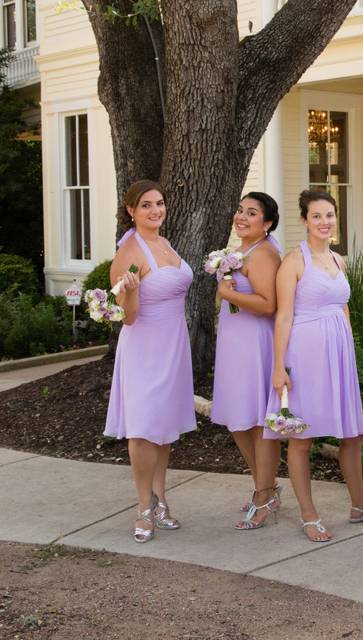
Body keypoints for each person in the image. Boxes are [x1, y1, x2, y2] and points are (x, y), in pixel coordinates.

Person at [267, 189, 363, 542]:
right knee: (303, 436)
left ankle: (359, 502)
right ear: (304, 221)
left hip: (337, 352)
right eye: (317, 216)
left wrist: (350, 352)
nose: (325, 222)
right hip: (305, 352)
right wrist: (279, 367)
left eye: (330, 215)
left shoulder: (339, 260)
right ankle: (308, 514)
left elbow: (343, 308)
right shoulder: (294, 262)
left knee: (352, 433)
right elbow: (283, 316)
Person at [105, 180, 196, 543]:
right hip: (144, 345)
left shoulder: (164, 242)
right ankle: (143, 508)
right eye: (146, 205)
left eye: (159, 203)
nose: (155, 210)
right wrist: (133, 292)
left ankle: (160, 499)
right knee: (143, 429)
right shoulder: (129, 251)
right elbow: (126, 318)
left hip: (174, 342)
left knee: (163, 426)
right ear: (131, 210)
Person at [209, 192, 283, 530]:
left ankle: (264, 495)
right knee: (238, 419)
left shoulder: (264, 254)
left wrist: (228, 293)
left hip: (255, 344)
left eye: (251, 213)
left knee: (257, 422)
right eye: (240, 209)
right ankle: (264, 486)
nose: (242, 216)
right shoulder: (239, 252)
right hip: (234, 343)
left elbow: (268, 304)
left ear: (266, 223)